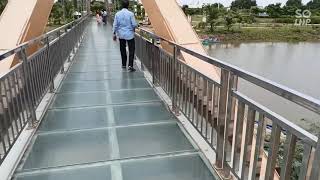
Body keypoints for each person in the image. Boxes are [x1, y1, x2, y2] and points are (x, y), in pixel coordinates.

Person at [112, 0, 137, 72]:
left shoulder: (117, 14)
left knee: (122, 49)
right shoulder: (131, 14)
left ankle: (123, 64)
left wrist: (114, 33)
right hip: (130, 34)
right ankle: (130, 65)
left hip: (121, 34)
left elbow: (115, 25)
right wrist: (134, 28)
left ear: (121, 5)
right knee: (131, 50)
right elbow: (134, 24)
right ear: (128, 5)